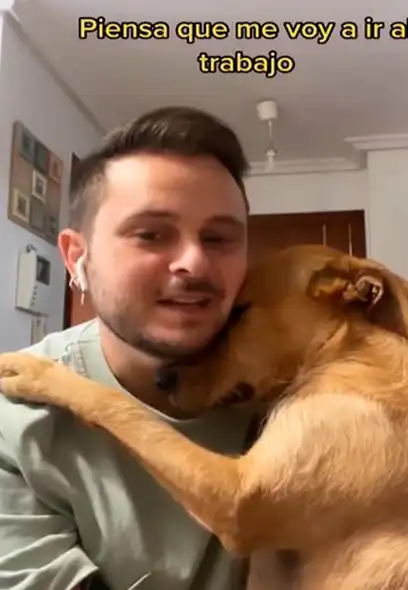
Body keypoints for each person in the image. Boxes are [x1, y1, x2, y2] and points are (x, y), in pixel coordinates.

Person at [0, 107, 254, 590]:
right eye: (151, 234)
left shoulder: (296, 389)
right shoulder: (14, 418)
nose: (195, 263)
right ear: (78, 258)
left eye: (219, 238)